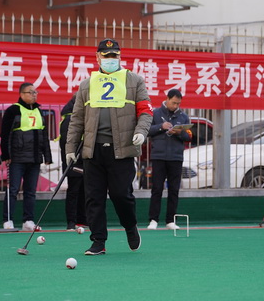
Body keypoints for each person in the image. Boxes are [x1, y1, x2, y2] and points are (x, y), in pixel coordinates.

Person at [65, 38, 153, 256]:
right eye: (106, 56)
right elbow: (77, 119)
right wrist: (70, 147)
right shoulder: (86, 85)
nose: (110, 59)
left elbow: (145, 111)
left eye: (114, 56)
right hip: (93, 150)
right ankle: (98, 241)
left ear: (120, 57)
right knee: (93, 197)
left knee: (121, 195)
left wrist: (141, 131)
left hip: (121, 149)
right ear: (98, 58)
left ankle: (130, 226)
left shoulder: (134, 81)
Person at [0, 82, 53, 232]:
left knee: (30, 191)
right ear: (22, 94)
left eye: (35, 92)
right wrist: (6, 154)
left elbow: (44, 135)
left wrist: (47, 156)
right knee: (13, 189)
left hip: (34, 158)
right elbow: (5, 134)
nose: (34, 95)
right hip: (17, 158)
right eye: (30, 92)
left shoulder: (39, 111)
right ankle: (8, 220)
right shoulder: (13, 110)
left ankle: (28, 220)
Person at [146, 89, 192, 230]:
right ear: (167, 99)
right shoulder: (155, 113)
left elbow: (189, 136)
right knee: (157, 188)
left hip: (176, 157)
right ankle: (153, 219)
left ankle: (170, 220)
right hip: (159, 156)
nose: (175, 106)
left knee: (174, 189)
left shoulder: (183, 116)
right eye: (173, 103)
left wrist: (179, 132)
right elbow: (147, 130)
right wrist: (161, 127)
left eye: (178, 103)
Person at [59, 93, 87, 231]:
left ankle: (83, 219)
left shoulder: (84, 117)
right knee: (74, 192)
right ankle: (71, 221)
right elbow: (67, 142)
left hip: (85, 160)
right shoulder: (69, 119)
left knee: (85, 191)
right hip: (74, 161)